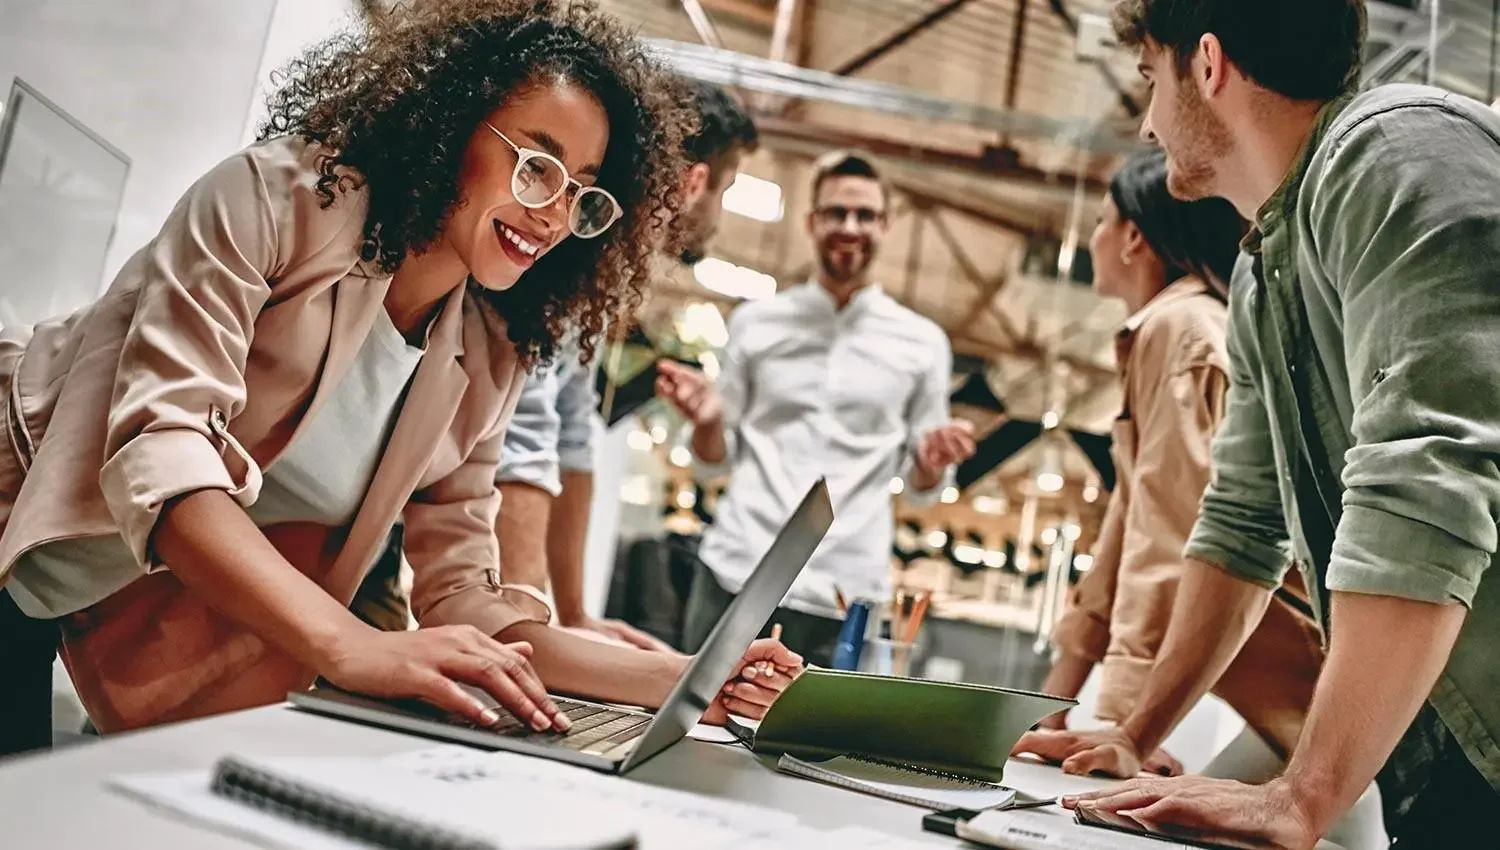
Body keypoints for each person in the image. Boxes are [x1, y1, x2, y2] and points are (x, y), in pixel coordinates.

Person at [0, 0, 798, 758]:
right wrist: (355, 646)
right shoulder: (274, 202)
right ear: (450, 125)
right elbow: (164, 458)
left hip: (110, 601)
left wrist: (690, 679)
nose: (554, 215)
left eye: (582, 193)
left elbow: (464, 597)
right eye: (536, 167)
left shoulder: (488, 351)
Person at [1019, 1, 1500, 846]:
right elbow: (1242, 521)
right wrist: (1136, 733)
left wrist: (1302, 796)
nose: (1147, 122)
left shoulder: (1396, 153)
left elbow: (1424, 484)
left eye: (1149, 81)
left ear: (1207, 65)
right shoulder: (1261, 273)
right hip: (1448, 748)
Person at [1032, 149, 1329, 776]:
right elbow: (1124, 530)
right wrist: (1051, 704)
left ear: (1134, 236)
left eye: (1101, 221)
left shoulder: (1181, 331)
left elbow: (1170, 535)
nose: (1093, 237)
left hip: (1302, 675)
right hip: (1278, 681)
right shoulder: (1169, 330)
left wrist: (1123, 727)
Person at [657, 151, 977, 668]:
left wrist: (932, 462)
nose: (850, 227)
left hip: (846, 591)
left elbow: (923, 491)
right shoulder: (756, 324)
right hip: (739, 571)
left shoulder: (924, 344)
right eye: (836, 213)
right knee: (695, 729)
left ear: (886, 225)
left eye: (866, 215)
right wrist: (709, 422)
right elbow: (713, 460)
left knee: (817, 746)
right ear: (811, 222)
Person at [489, 80, 758, 651]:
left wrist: (574, 614)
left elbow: (571, 432)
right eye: (726, 191)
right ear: (694, 182)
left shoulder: (608, 270)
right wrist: (533, 629)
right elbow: (527, 434)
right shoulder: (570, 247)